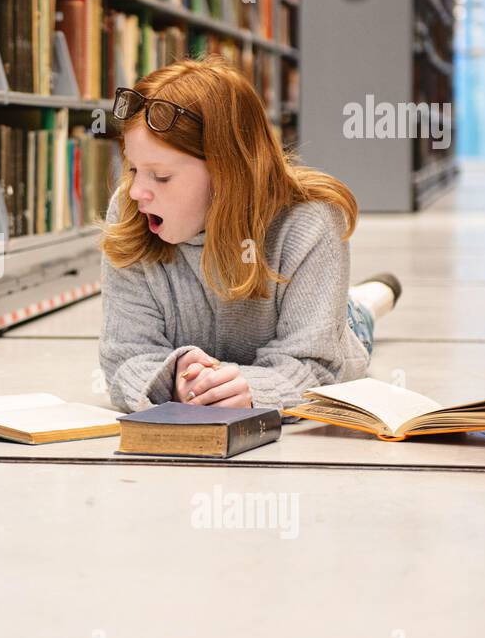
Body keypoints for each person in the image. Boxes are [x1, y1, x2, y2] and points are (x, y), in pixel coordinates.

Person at [97, 56, 402, 417]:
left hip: (333, 331)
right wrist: (173, 379)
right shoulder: (131, 211)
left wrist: (253, 391)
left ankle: (364, 304)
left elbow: (317, 364)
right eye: (133, 169)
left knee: (352, 324)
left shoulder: (312, 221)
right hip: (241, 348)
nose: (136, 192)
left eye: (161, 176)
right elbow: (124, 356)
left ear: (228, 172)